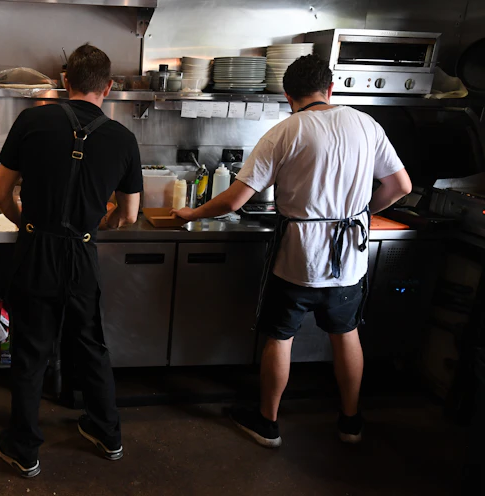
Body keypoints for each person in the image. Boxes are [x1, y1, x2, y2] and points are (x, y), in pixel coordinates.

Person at [173, 55, 412, 448]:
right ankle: (350, 421)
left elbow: (234, 201)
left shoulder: (286, 131)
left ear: (288, 96)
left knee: (280, 337)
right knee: (346, 333)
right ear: (330, 89)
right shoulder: (367, 124)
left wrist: (190, 213)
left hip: (298, 258)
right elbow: (400, 185)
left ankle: (268, 423)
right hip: (349, 259)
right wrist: (362, 211)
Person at [0, 43, 142, 478]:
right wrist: (101, 223)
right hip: (82, 252)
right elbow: (129, 214)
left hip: (36, 250)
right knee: (90, 344)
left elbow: (1, 194)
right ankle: (107, 433)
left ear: (64, 81)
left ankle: (24, 448)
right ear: (109, 88)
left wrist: (28, 226)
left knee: (31, 351)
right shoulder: (123, 138)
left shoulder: (32, 120)